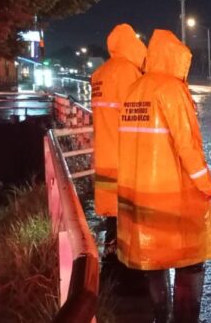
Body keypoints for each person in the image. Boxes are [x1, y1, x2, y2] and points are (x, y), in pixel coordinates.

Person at [117, 29, 211, 322]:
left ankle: (161, 316)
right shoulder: (172, 90)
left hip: (142, 199)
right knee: (190, 263)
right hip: (174, 197)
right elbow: (187, 145)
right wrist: (205, 185)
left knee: (155, 263)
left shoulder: (134, 90)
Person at [91, 23, 146, 261]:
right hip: (124, 156)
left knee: (111, 214)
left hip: (104, 155)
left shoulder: (99, 74)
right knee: (127, 217)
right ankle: (126, 270)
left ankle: (110, 258)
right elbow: (138, 115)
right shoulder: (128, 73)